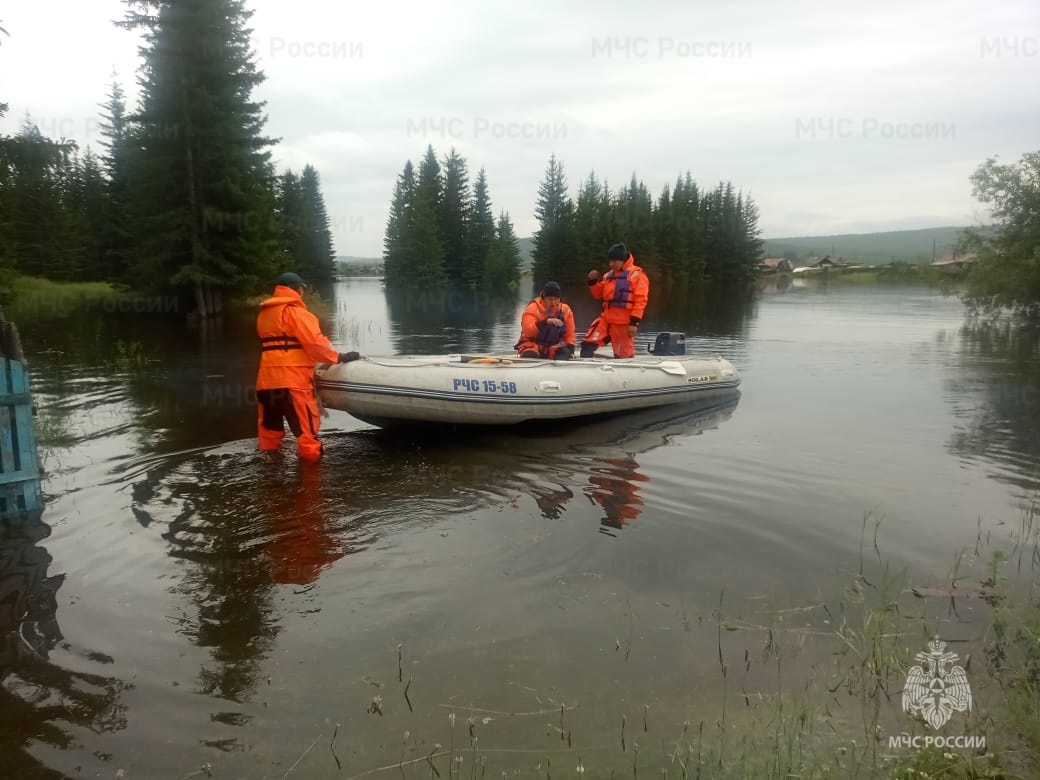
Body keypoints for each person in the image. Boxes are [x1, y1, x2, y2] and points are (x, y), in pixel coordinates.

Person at [255, 272, 359, 462]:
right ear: (297, 289)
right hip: (293, 382)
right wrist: (339, 357)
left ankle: (269, 472)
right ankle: (311, 484)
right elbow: (315, 344)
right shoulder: (297, 313)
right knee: (306, 435)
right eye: (302, 289)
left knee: (270, 432)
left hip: (265, 383)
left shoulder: (264, 314)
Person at [580, 243, 650, 358]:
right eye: (610, 261)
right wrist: (593, 282)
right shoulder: (608, 276)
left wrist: (634, 323)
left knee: (623, 357)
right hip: (606, 320)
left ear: (622, 260)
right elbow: (598, 294)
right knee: (587, 345)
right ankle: (585, 372)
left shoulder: (636, 275)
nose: (611, 264)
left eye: (614, 261)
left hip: (623, 324)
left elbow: (641, 300)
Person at [514, 281, 576, 360]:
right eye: (550, 299)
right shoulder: (532, 308)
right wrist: (546, 322)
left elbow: (570, 335)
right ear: (543, 298)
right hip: (532, 345)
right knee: (530, 355)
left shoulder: (566, 310)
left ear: (559, 299)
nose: (553, 303)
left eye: (555, 299)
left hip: (553, 347)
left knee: (565, 355)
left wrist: (571, 350)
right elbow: (527, 331)